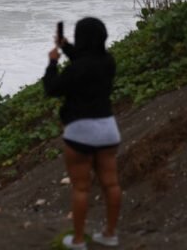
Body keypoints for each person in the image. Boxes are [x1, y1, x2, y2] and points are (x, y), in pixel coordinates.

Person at [43, 17, 121, 249]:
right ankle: (110, 234)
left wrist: (53, 63)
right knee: (111, 184)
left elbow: (52, 88)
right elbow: (87, 61)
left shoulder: (76, 69)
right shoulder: (108, 62)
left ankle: (77, 241)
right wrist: (66, 46)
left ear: (81, 38)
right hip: (107, 129)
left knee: (81, 187)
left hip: (80, 131)